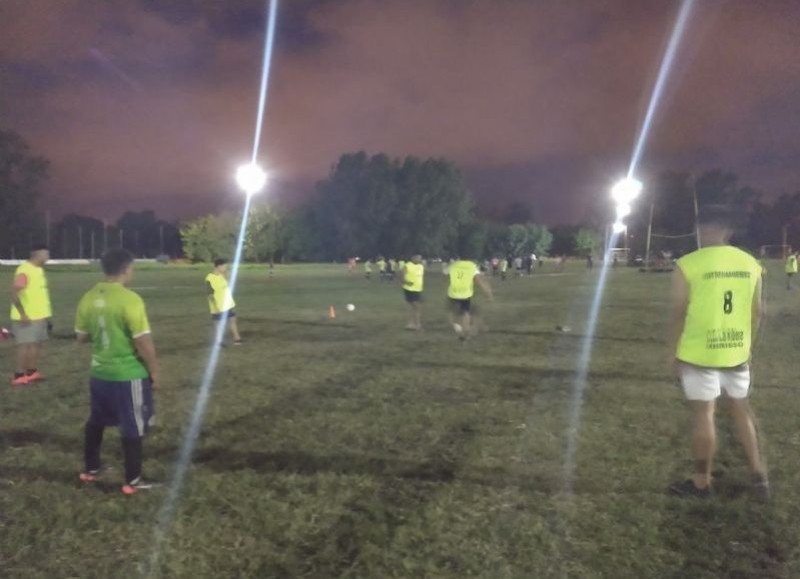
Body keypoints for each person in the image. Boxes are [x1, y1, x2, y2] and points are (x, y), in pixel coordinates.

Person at [668, 205, 768, 500]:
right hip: (736, 351)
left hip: (699, 353)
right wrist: (748, 346)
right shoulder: (750, 263)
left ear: (701, 230)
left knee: (704, 415)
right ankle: (758, 476)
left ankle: (701, 483)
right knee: (741, 411)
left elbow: (678, 312)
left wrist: (672, 352)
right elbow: (757, 313)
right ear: (729, 230)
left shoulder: (689, 263)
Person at [75, 249, 161, 495]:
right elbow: (143, 341)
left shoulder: (88, 297)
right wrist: (154, 370)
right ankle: (132, 481)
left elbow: (81, 337)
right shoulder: (129, 299)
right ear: (125, 269)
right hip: (127, 374)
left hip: (99, 373)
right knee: (132, 426)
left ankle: (90, 470)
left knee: (96, 421)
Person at [9, 245, 51, 386]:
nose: (47, 257)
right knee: (24, 346)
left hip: (39, 316)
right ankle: (19, 375)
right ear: (36, 254)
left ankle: (32, 372)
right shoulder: (24, 270)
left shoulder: (39, 270)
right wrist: (22, 314)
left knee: (35, 345)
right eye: (45, 254)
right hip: (27, 317)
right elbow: (15, 293)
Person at [447, 252, 493, 341]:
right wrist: (488, 294)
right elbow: (479, 281)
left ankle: (458, 329)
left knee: (453, 313)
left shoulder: (453, 265)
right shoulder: (472, 266)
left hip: (453, 292)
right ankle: (466, 331)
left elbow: (446, 274)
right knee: (465, 313)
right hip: (465, 293)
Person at [206, 258, 242, 345]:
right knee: (218, 324)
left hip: (228, 304)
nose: (225, 269)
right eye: (224, 267)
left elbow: (227, 283)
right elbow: (210, 295)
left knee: (232, 319)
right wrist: (216, 307)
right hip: (218, 306)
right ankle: (219, 341)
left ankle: (237, 339)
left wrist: (226, 273)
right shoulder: (210, 278)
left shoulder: (221, 276)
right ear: (218, 267)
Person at [400, 254, 425, 330]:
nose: (419, 260)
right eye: (418, 258)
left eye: (420, 258)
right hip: (410, 289)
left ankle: (411, 324)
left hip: (418, 289)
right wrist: (406, 282)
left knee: (413, 307)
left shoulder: (421, 266)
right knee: (415, 306)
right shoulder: (407, 265)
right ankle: (417, 324)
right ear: (413, 258)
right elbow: (401, 275)